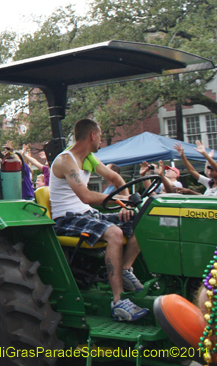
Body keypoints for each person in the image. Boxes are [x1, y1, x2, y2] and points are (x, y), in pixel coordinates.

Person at [48, 118, 148, 321]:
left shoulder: (88, 159)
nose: (101, 141)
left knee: (144, 218)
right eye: (100, 136)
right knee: (115, 233)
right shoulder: (66, 160)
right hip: (66, 219)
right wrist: (122, 200)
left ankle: (125, 268)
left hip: (87, 214)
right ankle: (118, 301)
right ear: (92, 135)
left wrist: (125, 207)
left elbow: (116, 179)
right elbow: (85, 196)